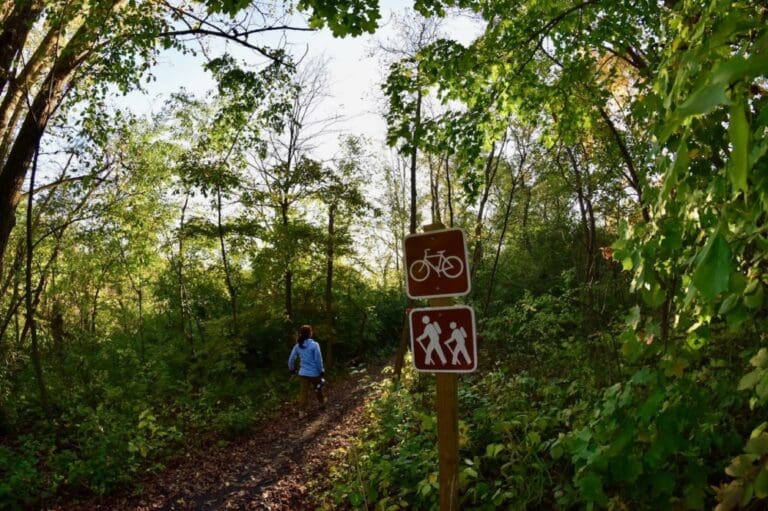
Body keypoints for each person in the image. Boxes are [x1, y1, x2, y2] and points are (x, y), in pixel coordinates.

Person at [288, 324, 325, 416]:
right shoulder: (315, 345)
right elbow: (318, 359)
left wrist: (292, 370)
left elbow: (291, 359)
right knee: (318, 388)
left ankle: (302, 411)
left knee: (303, 392)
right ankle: (322, 403)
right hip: (314, 373)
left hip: (303, 373)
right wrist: (321, 370)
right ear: (310, 333)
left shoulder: (297, 346)